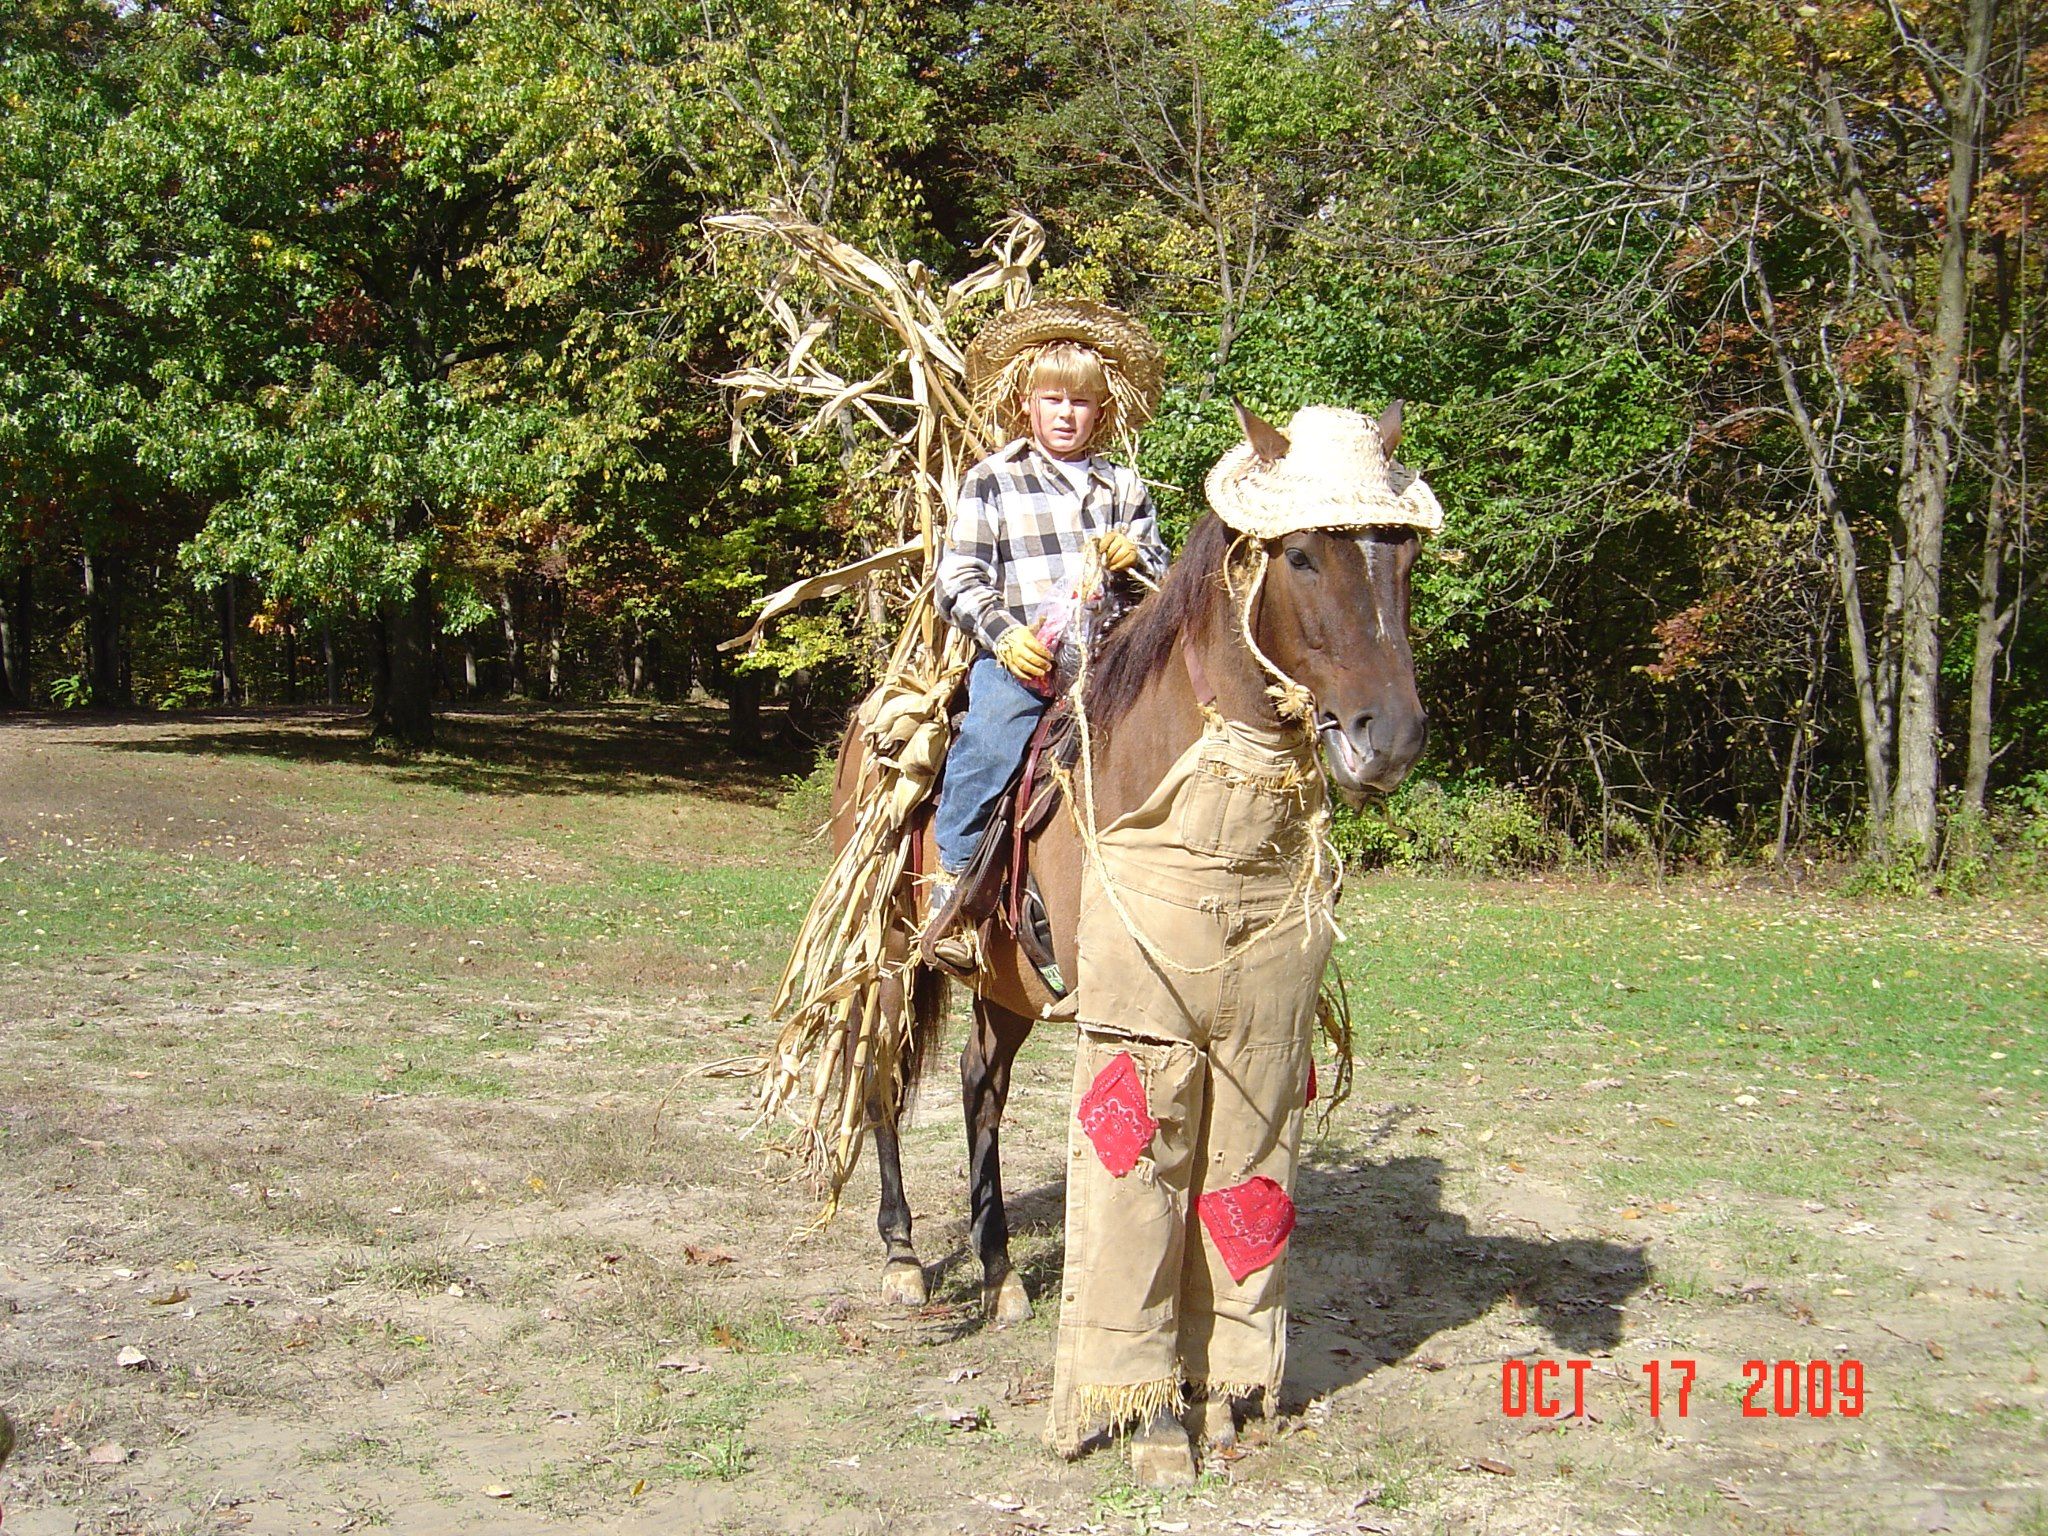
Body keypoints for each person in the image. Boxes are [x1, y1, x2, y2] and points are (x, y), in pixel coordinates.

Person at [926, 302, 1167, 969]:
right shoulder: (993, 481)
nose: (1066, 413)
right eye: (1052, 399)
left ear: (1103, 411)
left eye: (1081, 403)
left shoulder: (1123, 488)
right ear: (1026, 403)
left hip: (1109, 669)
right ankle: (954, 887)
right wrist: (1003, 636)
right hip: (1025, 666)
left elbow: (1164, 577)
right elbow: (960, 577)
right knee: (991, 734)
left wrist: (1136, 559)